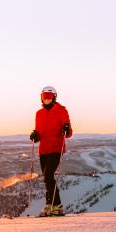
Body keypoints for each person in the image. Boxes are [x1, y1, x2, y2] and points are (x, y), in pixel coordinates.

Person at [29, 85, 73, 216]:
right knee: (47, 178)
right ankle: (51, 205)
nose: (46, 99)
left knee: (48, 175)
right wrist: (35, 135)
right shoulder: (39, 113)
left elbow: (69, 132)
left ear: (54, 97)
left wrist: (66, 128)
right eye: (44, 97)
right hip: (43, 150)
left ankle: (57, 206)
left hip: (56, 148)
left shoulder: (61, 111)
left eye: (48, 97)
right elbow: (39, 133)